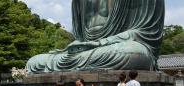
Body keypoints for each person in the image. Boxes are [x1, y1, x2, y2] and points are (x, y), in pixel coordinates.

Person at [26, 0, 165, 72]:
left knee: (135, 54)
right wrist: (80, 46)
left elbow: (147, 32)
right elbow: (81, 36)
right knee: (35, 62)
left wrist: (101, 43)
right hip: (88, 50)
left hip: (121, 47)